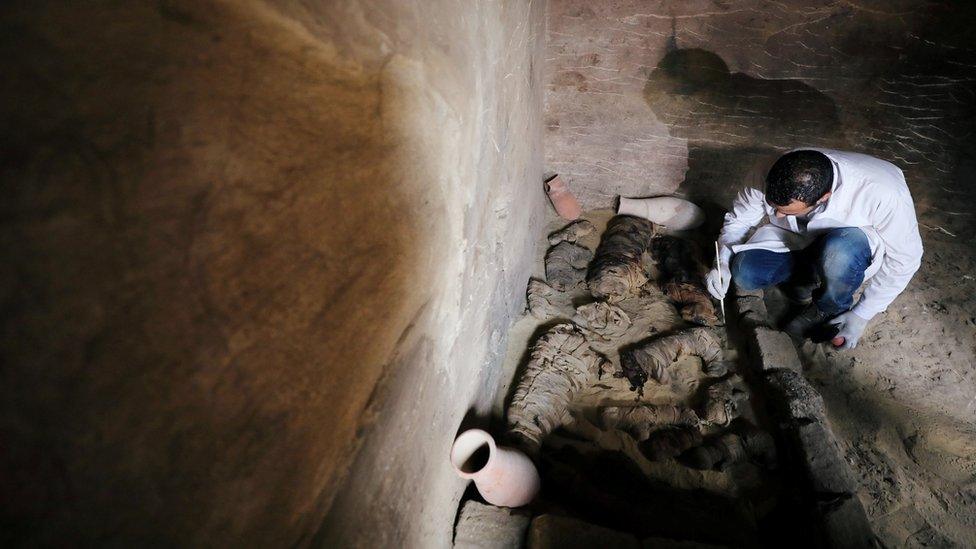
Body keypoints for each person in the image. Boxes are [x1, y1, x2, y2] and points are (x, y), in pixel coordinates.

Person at [704, 149, 923, 349]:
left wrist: (862, 314)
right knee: (745, 272)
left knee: (839, 254)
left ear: (823, 197)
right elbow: (739, 220)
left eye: (787, 211)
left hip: (849, 243)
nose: (777, 216)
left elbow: (906, 259)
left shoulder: (883, 194)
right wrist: (722, 261)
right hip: (795, 237)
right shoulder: (770, 169)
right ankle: (805, 280)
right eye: (774, 208)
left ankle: (828, 307)